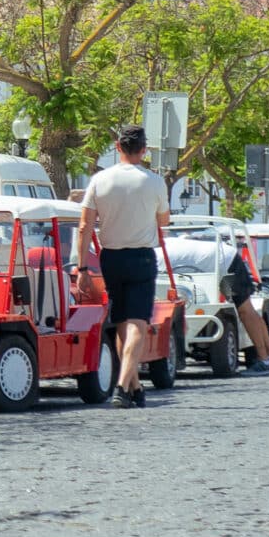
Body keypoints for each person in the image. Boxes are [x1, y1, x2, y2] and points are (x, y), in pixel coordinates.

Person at [77, 126, 170, 409]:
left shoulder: (99, 180)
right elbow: (164, 221)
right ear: (144, 150)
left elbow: (84, 226)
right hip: (141, 256)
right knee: (138, 323)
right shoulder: (154, 182)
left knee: (121, 321)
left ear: (118, 147)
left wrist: (82, 267)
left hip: (111, 257)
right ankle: (121, 386)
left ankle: (134, 386)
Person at [219, 234, 269, 373]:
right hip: (222, 259)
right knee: (249, 310)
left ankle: (263, 358)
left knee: (245, 310)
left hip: (226, 262)